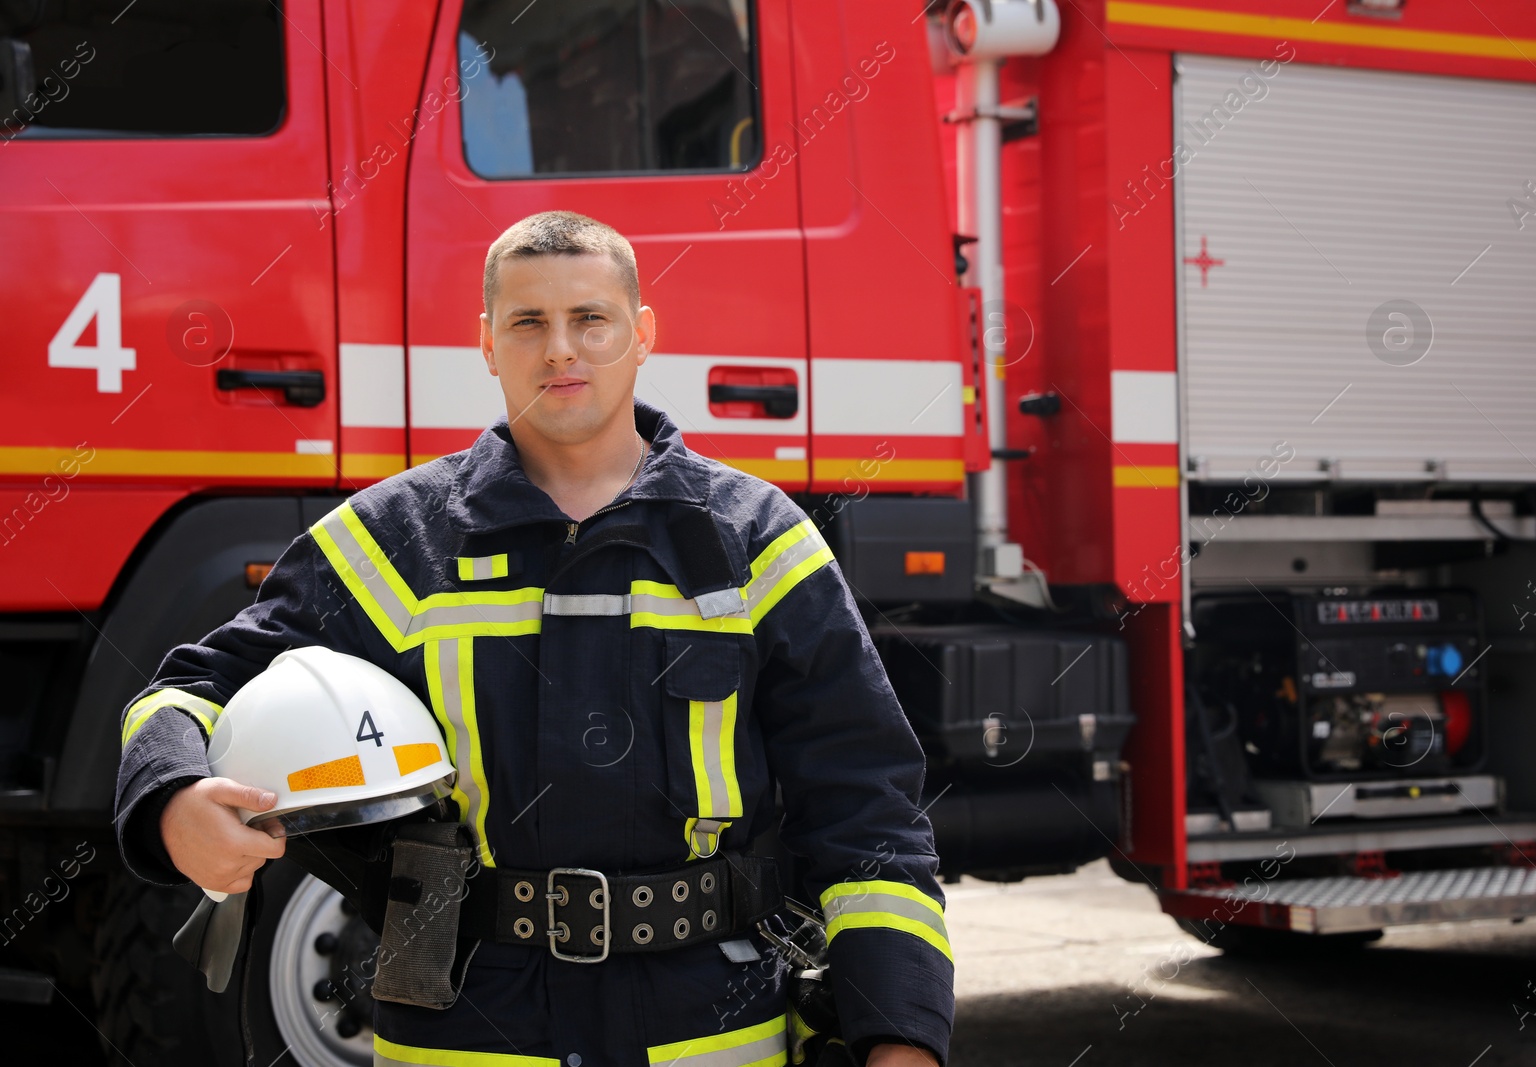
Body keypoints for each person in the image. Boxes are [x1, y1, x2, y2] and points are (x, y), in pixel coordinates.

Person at [114, 211, 955, 1067]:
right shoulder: (396, 543)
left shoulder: (757, 542)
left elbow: (867, 806)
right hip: (472, 1039)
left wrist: (899, 1037)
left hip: (711, 1034)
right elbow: (188, 690)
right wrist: (173, 797)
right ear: (486, 343)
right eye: (528, 322)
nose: (562, 348)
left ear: (642, 334)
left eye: (590, 319)